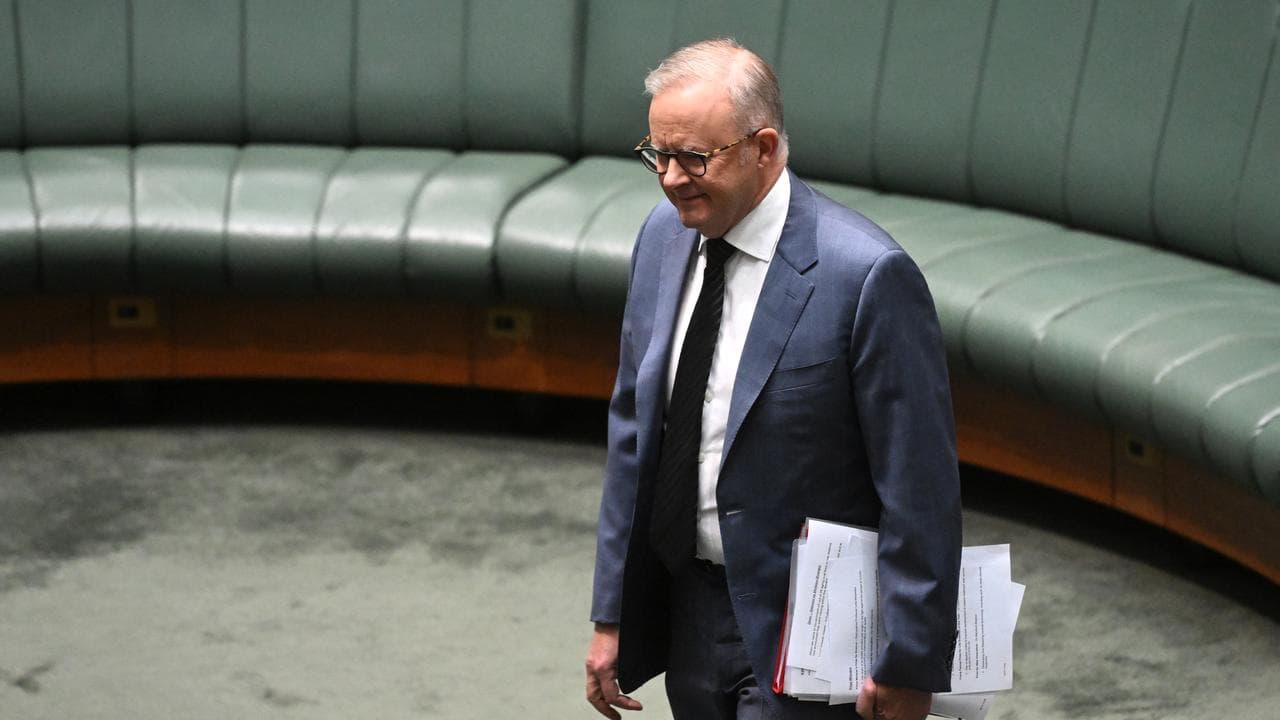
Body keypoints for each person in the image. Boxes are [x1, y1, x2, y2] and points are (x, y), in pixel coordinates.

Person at [585, 38, 961, 720]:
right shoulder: (662, 238)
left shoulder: (866, 276)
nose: (670, 178)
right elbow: (634, 433)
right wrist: (612, 613)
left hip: (809, 626)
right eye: (657, 154)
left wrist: (911, 658)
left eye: (693, 157)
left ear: (762, 149)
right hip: (690, 611)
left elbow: (918, 487)